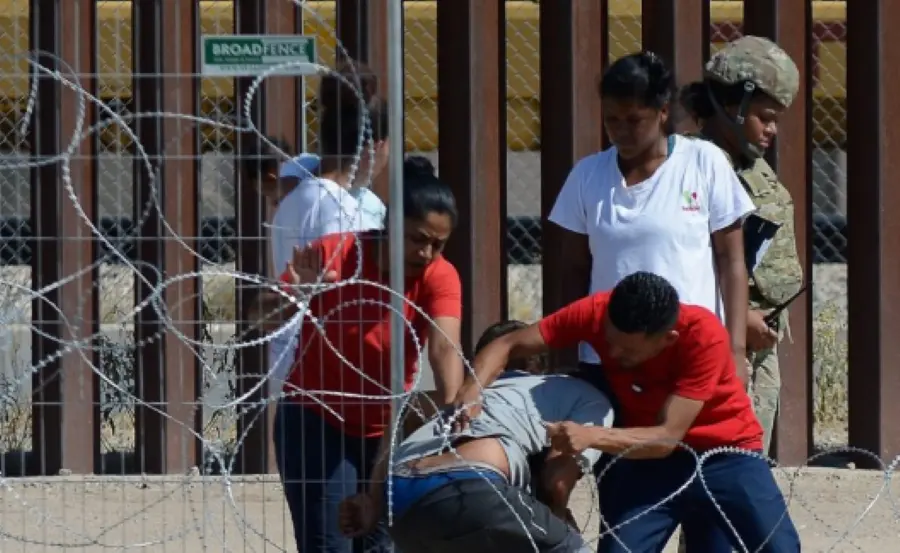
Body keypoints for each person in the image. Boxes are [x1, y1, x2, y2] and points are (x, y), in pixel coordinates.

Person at [458, 271, 801, 553]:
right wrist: (471, 391)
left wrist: (590, 436)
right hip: (648, 462)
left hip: (725, 453)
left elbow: (668, 437)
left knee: (779, 548)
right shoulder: (596, 312)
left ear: (668, 338)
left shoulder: (703, 335)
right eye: (610, 340)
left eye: (628, 349)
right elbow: (507, 343)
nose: (613, 352)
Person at [252, 156, 465, 553]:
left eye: (439, 244)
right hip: (315, 418)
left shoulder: (439, 275)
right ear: (390, 225)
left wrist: (453, 407)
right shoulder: (336, 254)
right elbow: (260, 317)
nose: (427, 253)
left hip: (383, 428)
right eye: (418, 239)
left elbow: (444, 345)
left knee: (380, 546)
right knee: (328, 544)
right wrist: (296, 293)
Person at [547, 52, 756, 386]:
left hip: (689, 356)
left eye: (633, 120)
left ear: (662, 112)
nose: (620, 132)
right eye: (611, 120)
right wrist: (565, 353)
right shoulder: (586, 176)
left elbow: (731, 260)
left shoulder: (704, 162)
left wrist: (735, 350)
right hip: (609, 360)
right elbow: (573, 269)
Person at [337, 320, 614, 553]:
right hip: (473, 487)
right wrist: (559, 524)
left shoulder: (462, 396)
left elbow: (403, 410)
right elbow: (556, 483)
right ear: (537, 366)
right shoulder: (574, 394)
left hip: (400, 496)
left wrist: (373, 499)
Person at [680, 36, 805, 455]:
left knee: (747, 457)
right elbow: (689, 259)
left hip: (759, 343)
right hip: (722, 342)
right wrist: (741, 317)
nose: (771, 130)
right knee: (720, 463)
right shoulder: (698, 165)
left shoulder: (748, 163)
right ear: (732, 106)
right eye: (764, 117)